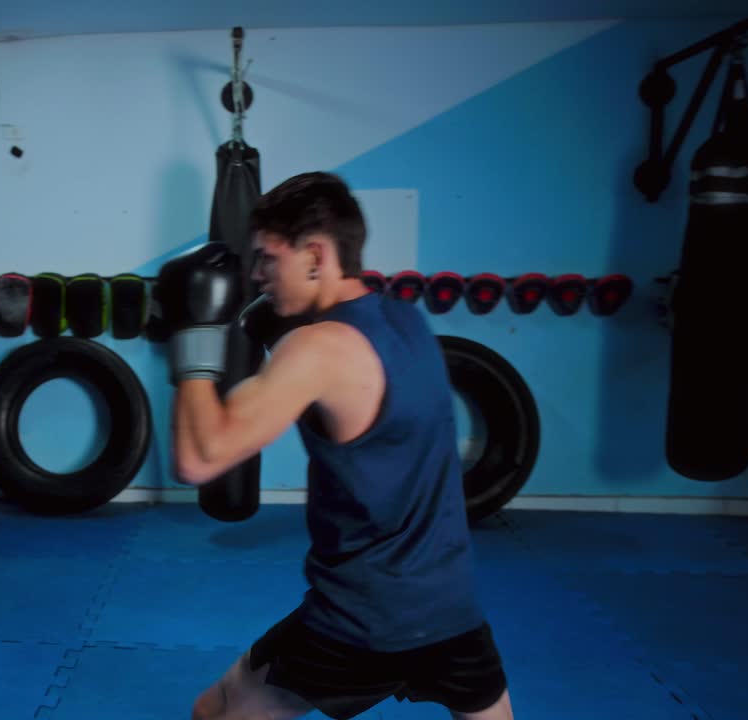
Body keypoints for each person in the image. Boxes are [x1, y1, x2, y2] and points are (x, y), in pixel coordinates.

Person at [156, 171, 514, 720]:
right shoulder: (406, 320)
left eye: (267, 259)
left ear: (316, 256)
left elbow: (197, 460)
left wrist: (193, 336)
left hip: (360, 623)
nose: (256, 276)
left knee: (218, 707)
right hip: (452, 612)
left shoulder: (318, 348)